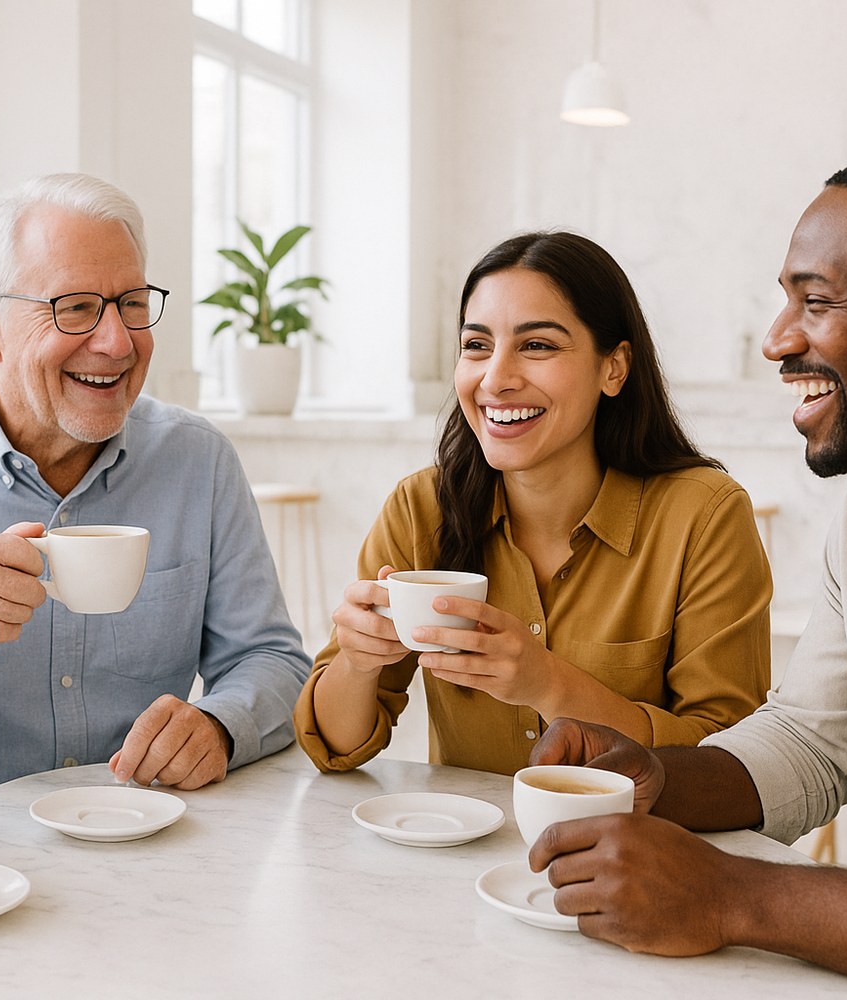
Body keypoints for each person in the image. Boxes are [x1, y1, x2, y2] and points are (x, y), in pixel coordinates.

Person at [525, 144, 847, 1000]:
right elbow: (811, 741)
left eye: (816, 301)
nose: (777, 339)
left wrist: (734, 896)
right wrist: (660, 780)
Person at [0, 173, 311, 818]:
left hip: (141, 829)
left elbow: (271, 660)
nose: (115, 341)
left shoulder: (198, 461)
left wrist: (218, 726)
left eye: (132, 304)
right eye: (74, 307)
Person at [295, 232, 772, 776]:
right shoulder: (421, 508)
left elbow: (728, 763)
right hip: (460, 854)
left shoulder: (704, 517)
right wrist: (357, 663)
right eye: (477, 346)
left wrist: (548, 684)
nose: (496, 379)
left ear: (613, 368)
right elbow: (334, 747)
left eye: (537, 345)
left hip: (634, 854)